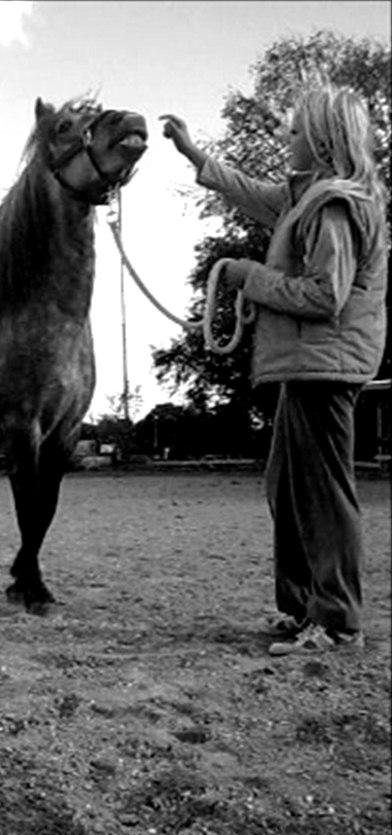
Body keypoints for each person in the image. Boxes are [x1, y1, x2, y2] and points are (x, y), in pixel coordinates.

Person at [160, 84, 387, 656]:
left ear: (322, 139)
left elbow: (323, 296)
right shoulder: (304, 198)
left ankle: (336, 622)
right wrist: (195, 156)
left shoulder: (332, 205)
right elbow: (252, 193)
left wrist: (247, 277)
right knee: (287, 487)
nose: (287, 137)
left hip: (325, 364)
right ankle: (304, 607)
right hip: (308, 365)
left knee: (321, 495)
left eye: (294, 129)